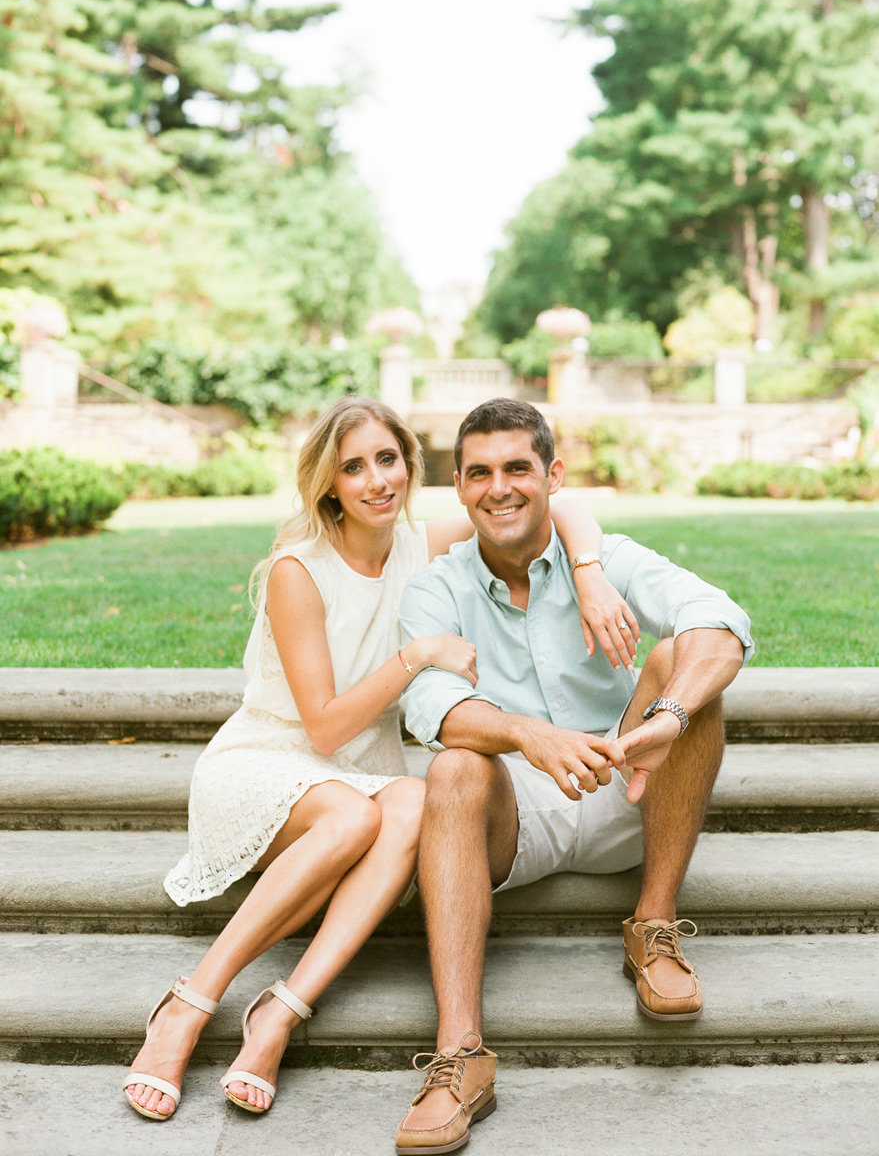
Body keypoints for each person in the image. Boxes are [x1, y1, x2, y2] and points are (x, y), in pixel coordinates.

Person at [123, 395, 632, 1122]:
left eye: (386, 460)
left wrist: (587, 571)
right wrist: (417, 654)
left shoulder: (416, 542)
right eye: (352, 467)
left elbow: (562, 504)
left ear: (408, 464)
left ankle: (280, 1012)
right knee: (352, 819)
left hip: (363, 779)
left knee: (407, 802)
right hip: (267, 762)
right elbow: (323, 730)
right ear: (328, 483)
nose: (374, 481)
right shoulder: (297, 571)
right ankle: (190, 1001)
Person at [393, 398, 754, 1155]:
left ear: (552, 475)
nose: (500, 488)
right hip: (514, 808)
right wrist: (529, 734)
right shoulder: (435, 587)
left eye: (518, 468)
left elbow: (722, 622)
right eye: (481, 473)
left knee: (683, 671)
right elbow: (433, 706)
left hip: (631, 784)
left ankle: (652, 923)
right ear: (457, 487)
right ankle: (461, 1053)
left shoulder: (606, 557)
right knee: (455, 766)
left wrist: (668, 717)